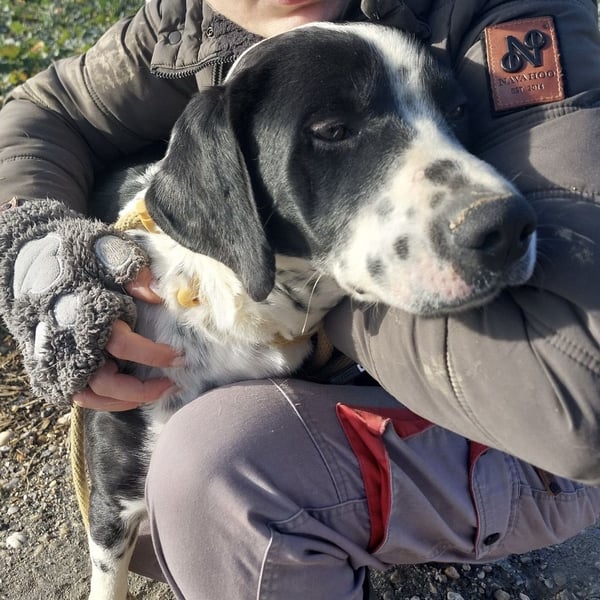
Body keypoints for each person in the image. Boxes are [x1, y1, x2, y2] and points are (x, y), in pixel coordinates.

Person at [0, 0, 599, 598]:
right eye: (334, 131)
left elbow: (577, 398)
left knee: (216, 475)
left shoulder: (511, 13)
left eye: (452, 113)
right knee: (166, 508)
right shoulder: (182, 23)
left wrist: (332, 292)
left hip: (531, 441)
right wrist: (35, 243)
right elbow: (42, 110)